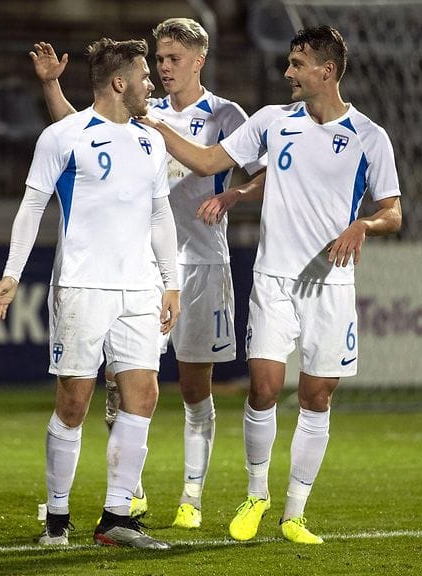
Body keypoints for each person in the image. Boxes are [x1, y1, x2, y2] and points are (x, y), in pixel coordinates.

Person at [138, 26, 403, 544]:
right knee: (262, 387)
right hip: (274, 279)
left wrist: (362, 225)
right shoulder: (272, 122)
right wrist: (154, 123)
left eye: (297, 65)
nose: (287, 73)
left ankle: (294, 512)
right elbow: (209, 161)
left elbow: (392, 212)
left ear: (326, 72)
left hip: (331, 284)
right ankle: (256, 493)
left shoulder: (370, 137)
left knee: (317, 395)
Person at [30, 18, 266, 530]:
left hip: (202, 262)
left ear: (199, 60)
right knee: (125, 384)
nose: (162, 69)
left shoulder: (226, 114)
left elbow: (265, 168)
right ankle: (128, 496)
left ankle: (190, 497)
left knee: (194, 385)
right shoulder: (144, 110)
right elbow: (78, 133)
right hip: (142, 268)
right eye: (158, 60)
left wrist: (234, 194)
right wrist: (51, 86)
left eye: (173, 59)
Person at [0, 37, 179, 550]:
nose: (150, 84)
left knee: (143, 396)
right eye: (144, 75)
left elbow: (160, 214)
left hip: (139, 288)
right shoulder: (63, 136)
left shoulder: (152, 141)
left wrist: (171, 280)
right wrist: (11, 273)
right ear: (120, 82)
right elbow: (31, 208)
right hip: (81, 286)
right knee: (74, 401)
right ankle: (56, 517)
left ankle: (117, 518)